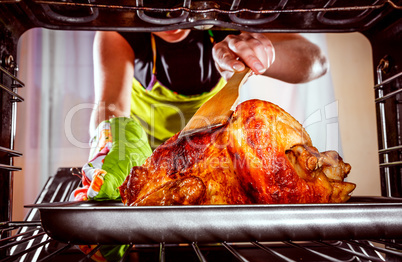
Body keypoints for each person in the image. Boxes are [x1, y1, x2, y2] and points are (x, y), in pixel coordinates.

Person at [71, 28, 328, 202]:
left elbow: (316, 61)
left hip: (209, 166)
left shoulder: (223, 25)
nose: (171, 17)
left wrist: (263, 54)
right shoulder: (120, 29)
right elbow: (110, 105)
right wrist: (110, 148)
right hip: (144, 163)